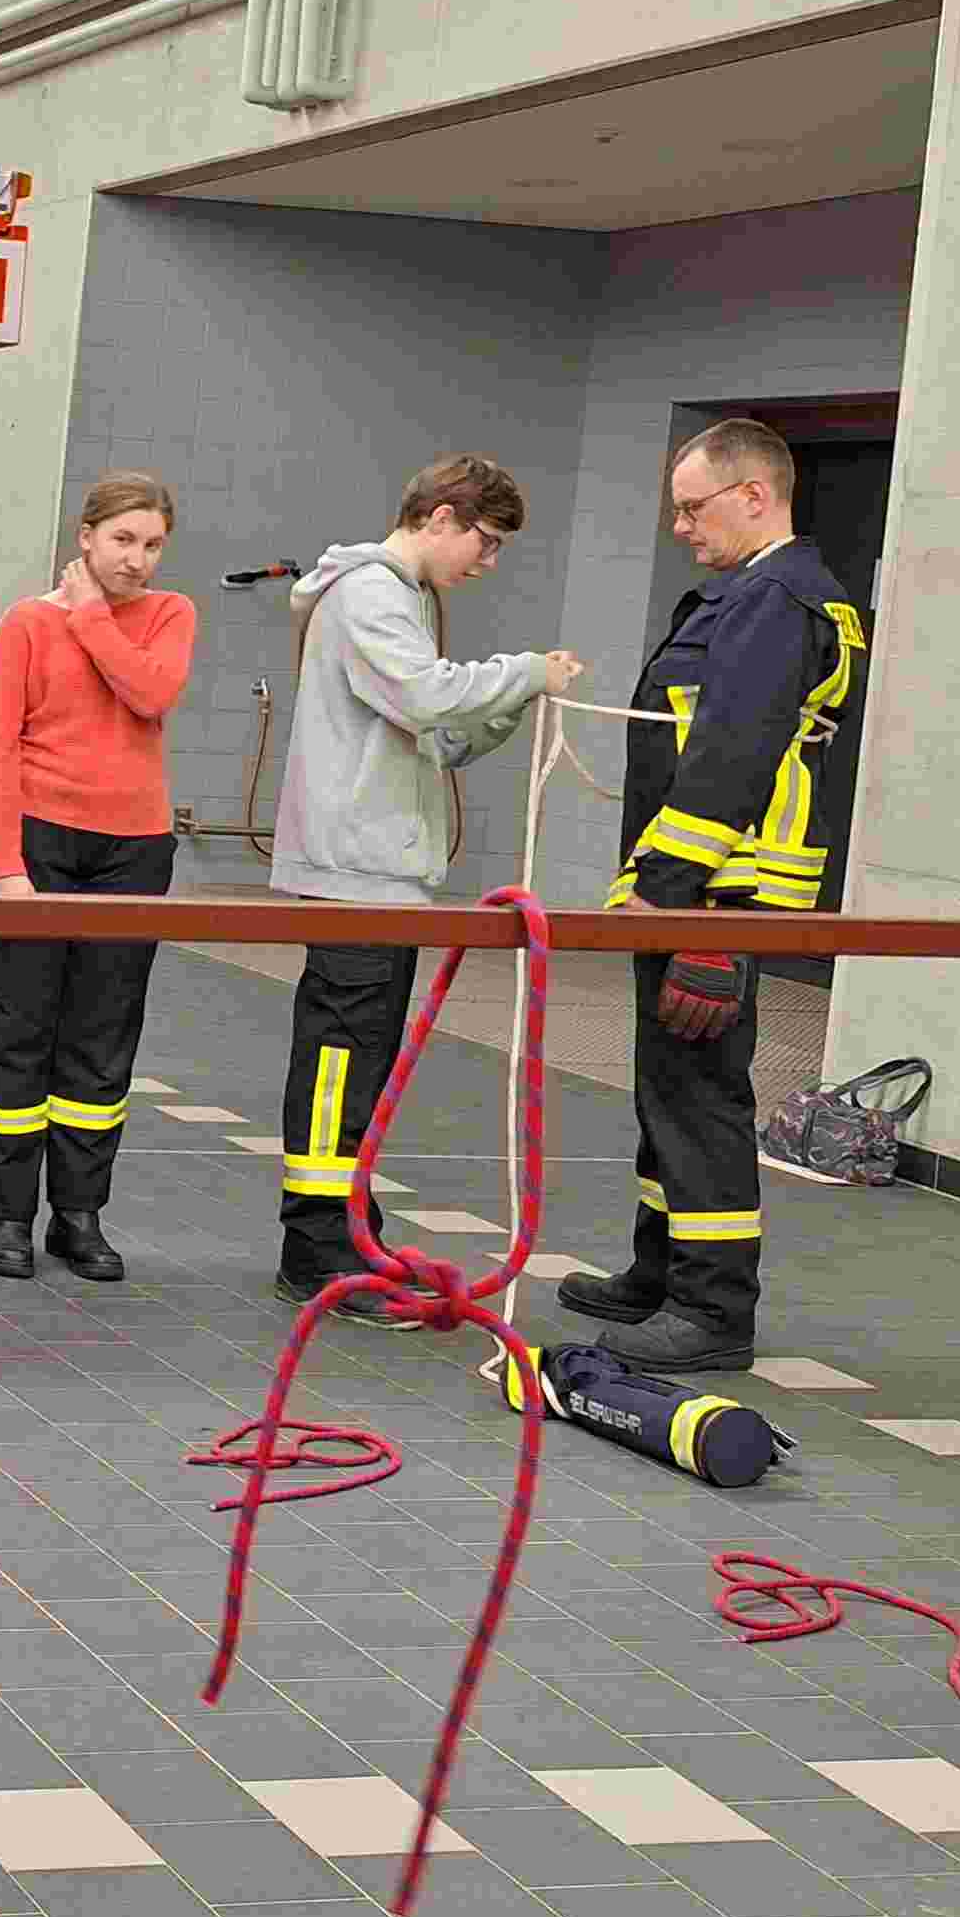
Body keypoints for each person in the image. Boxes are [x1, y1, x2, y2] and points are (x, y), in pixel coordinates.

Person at [558, 418, 864, 1373]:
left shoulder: (774, 601)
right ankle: (661, 1271)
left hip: (719, 898)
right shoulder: (754, 595)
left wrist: (670, 898)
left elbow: (729, 759)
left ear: (754, 496)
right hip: (706, 891)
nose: (681, 528)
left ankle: (713, 1309)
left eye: (693, 509)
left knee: (700, 1100)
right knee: (669, 1089)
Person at [268, 457, 583, 1308]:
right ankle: (317, 1250)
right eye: (487, 541)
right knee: (340, 1066)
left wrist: (507, 707)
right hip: (358, 877)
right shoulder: (371, 594)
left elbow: (433, 734)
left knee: (359, 1068)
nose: (489, 562)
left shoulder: (400, 599)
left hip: (383, 875)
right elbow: (425, 695)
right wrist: (526, 672)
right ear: (442, 518)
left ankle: (347, 1231)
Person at [0, 474, 193, 1283]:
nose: (138, 559)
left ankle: (79, 1213)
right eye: (123, 539)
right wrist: (5, 869)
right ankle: (6, 1215)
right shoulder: (30, 622)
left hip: (135, 849)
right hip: (38, 840)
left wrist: (92, 615)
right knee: (18, 1029)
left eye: (153, 544)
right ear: (86, 536)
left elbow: (151, 693)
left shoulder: (171, 614)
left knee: (103, 1037)